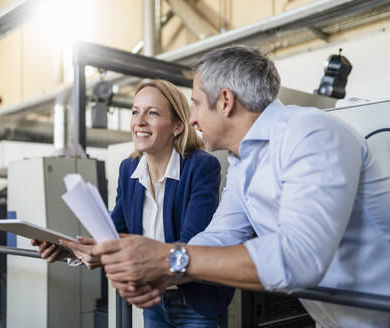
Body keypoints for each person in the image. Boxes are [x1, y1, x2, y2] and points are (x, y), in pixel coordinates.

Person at [93, 46, 390, 328]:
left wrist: (167, 259)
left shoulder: (311, 133)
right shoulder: (242, 160)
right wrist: (162, 270)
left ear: (225, 100)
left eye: (196, 103)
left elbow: (300, 258)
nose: (192, 117)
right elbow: (220, 236)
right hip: (333, 319)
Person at [34, 79, 234, 327]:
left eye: (152, 113)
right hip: (152, 298)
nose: (139, 121)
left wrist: (105, 251)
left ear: (177, 126)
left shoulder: (201, 166)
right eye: (135, 112)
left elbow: (191, 243)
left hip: (195, 301)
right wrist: (71, 249)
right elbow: (114, 231)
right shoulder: (128, 170)